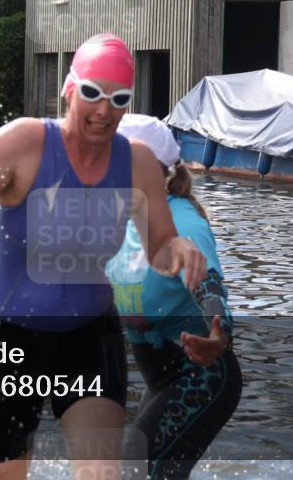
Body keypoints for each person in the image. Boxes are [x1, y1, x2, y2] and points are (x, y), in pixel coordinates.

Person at [0, 33, 207, 480]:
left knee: (102, 474)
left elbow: (160, 248)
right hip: (4, 335)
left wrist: (180, 250)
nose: (104, 109)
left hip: (89, 334)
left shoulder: (137, 162)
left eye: (119, 99)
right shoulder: (24, 143)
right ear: (69, 90)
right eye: (92, 93)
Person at [106, 114, 242, 480]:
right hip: (162, 380)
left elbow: (208, 282)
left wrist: (219, 333)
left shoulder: (181, 221)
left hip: (202, 376)